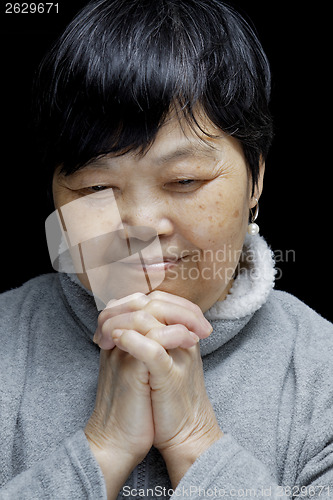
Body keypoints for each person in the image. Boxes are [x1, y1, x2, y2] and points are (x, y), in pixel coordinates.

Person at [0, 1, 332, 499]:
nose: (141, 225)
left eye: (184, 179)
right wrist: (102, 450)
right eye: (94, 188)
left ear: (256, 177)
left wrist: (196, 442)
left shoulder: (322, 371)